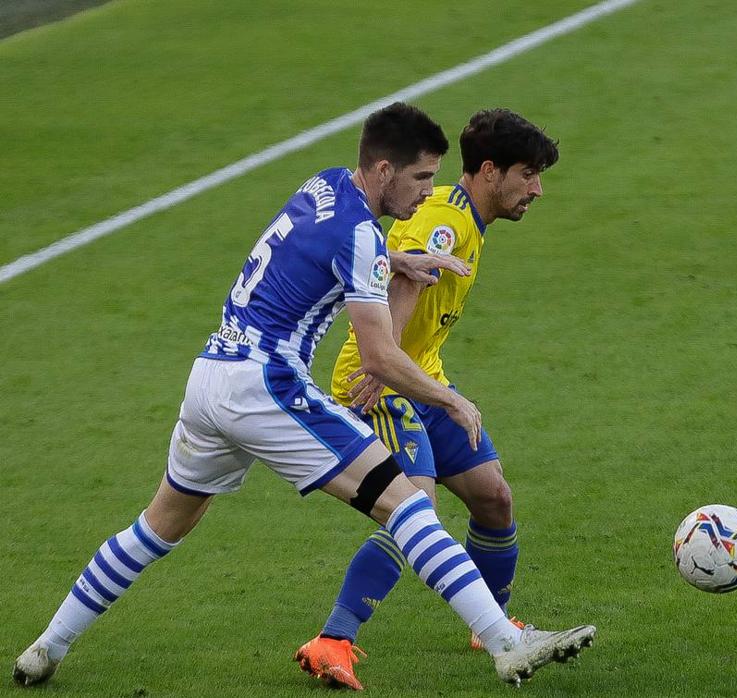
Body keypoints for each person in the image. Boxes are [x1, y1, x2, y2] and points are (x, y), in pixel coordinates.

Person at [12, 102, 595, 689]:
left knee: (158, 527)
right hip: (265, 385)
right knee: (408, 505)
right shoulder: (362, 233)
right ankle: (506, 643)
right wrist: (450, 400)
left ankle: (45, 648)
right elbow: (378, 356)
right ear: (386, 170)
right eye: (421, 178)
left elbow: (325, 250)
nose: (427, 191)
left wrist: (395, 258)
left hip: (211, 375)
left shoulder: (324, 184)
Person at [293, 108, 560, 689]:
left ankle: (491, 624)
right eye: (529, 175)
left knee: (493, 499)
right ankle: (332, 641)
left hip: (422, 375)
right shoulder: (444, 219)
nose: (537, 189)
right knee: (418, 510)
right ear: (489, 171)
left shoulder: (465, 218)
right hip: (383, 381)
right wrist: (382, 362)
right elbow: (406, 275)